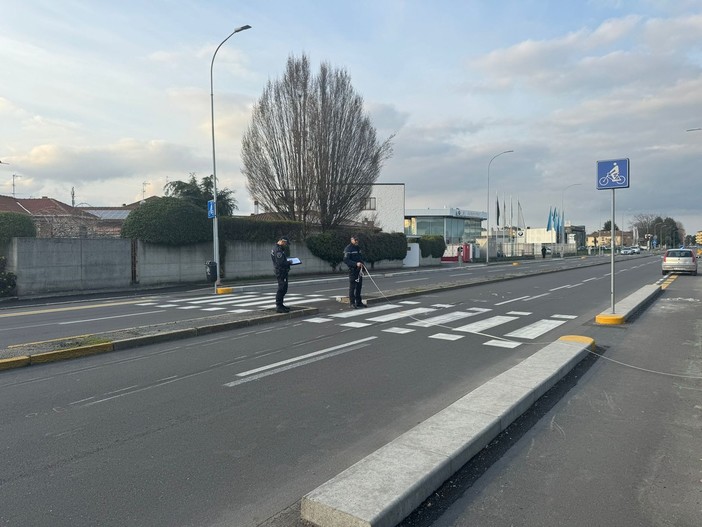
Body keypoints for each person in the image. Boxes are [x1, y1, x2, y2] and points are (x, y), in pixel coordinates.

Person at [343, 235, 365, 308]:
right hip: (353, 271)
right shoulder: (348, 249)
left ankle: (359, 302)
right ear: (351, 240)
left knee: (359, 286)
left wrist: (363, 267)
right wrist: (355, 264)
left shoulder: (358, 248)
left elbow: (360, 258)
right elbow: (346, 260)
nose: (356, 241)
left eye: (357, 240)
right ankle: (352, 303)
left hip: (359, 270)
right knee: (352, 287)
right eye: (355, 240)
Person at [271, 236, 291, 313]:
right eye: (285, 243)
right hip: (281, 271)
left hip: (281, 271)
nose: (286, 245)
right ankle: (279, 306)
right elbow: (281, 262)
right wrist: (289, 262)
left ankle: (281, 305)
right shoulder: (278, 250)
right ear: (282, 242)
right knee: (281, 288)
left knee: (284, 288)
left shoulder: (277, 249)